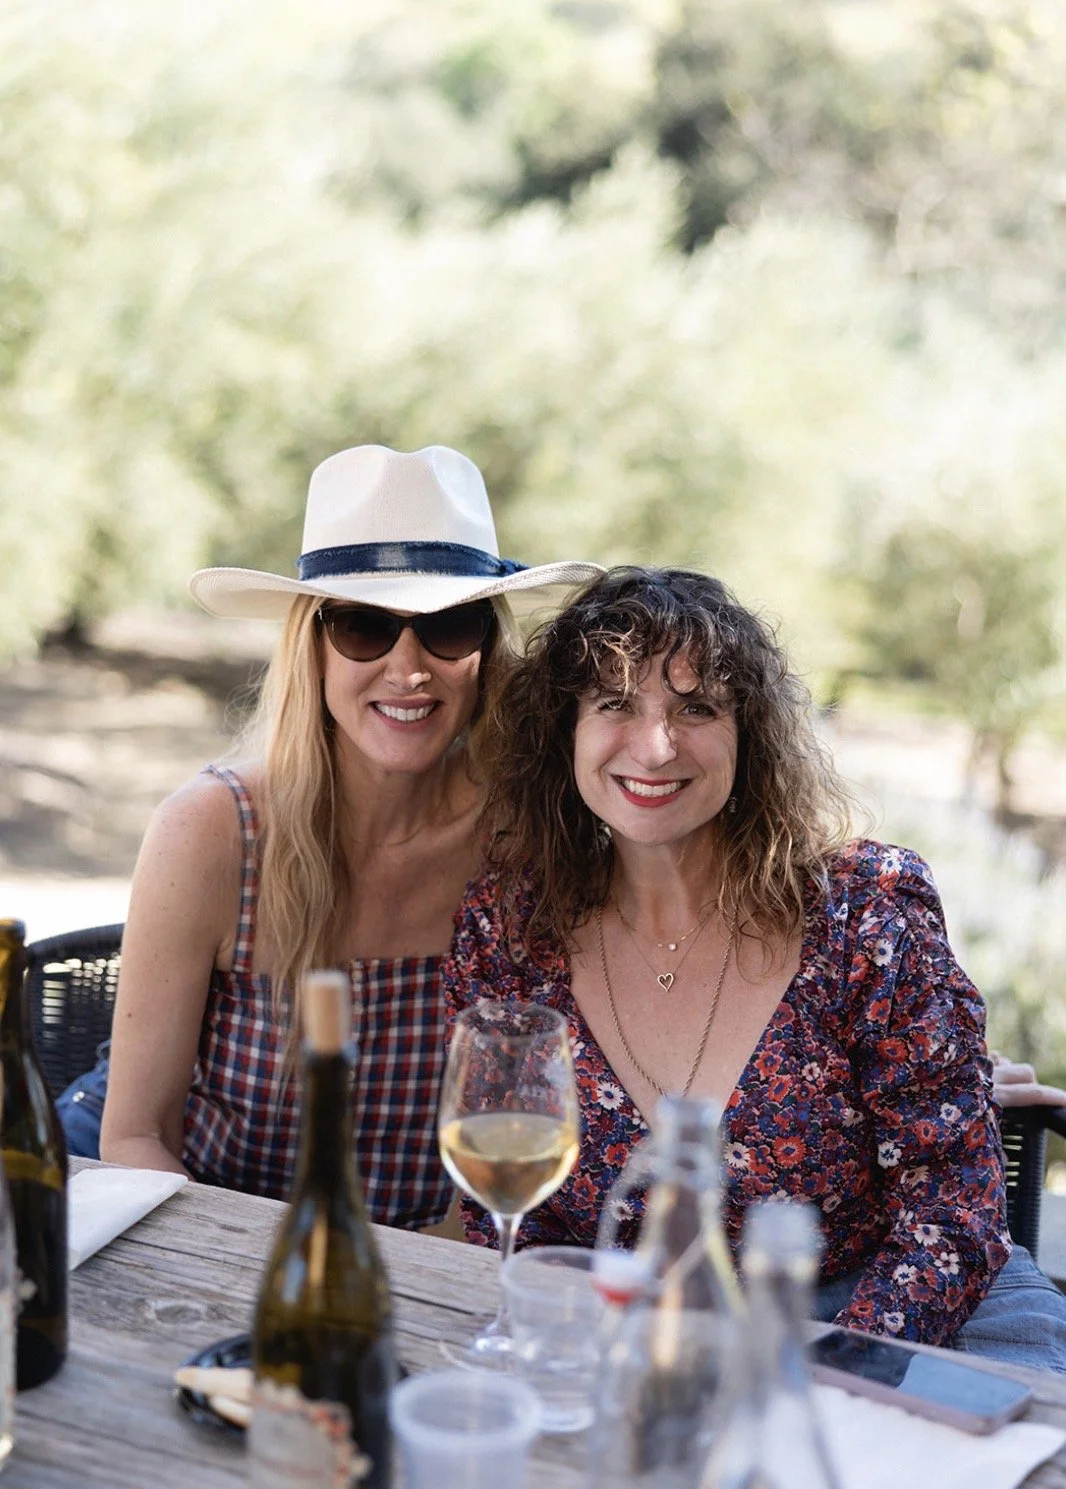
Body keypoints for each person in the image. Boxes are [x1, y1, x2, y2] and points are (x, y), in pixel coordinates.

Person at [444, 565, 1066, 1365]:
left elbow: (953, 1214)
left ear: (751, 733)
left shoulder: (866, 910)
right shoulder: (508, 932)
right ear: (567, 730)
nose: (657, 744)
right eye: (616, 704)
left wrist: (805, 1376)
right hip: (642, 1337)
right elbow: (522, 1227)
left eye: (696, 707)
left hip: (910, 1323)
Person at [62, 444, 597, 1228]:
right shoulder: (212, 830)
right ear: (312, 644)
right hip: (188, 1222)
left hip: (408, 1263)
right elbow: (137, 1134)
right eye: (365, 627)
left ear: (486, 650)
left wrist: (418, 1286)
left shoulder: (520, 843)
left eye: (447, 627)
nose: (409, 668)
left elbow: (508, 1132)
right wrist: (282, 1285)